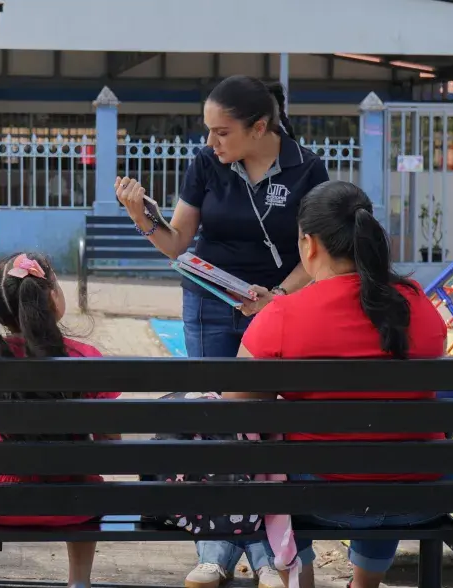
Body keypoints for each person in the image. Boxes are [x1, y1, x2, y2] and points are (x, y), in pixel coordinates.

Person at [115, 75, 329, 588]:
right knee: (217, 423)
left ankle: (279, 549)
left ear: (260, 128)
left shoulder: (308, 168)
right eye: (208, 131)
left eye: (221, 132)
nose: (211, 142)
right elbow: (177, 243)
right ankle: (225, 552)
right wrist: (140, 215)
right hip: (211, 304)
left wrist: (276, 300)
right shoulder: (206, 163)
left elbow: (318, 249)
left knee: (272, 427)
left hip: (278, 308)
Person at [235, 181, 447, 588]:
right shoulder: (416, 302)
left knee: (266, 472)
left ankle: (301, 580)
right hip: (422, 494)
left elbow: (235, 408)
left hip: (321, 496)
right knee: (383, 457)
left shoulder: (283, 314)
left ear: (309, 244)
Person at [0, 252, 119, 588]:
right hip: (73, 503)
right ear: (50, 297)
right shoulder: (85, 359)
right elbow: (110, 445)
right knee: (87, 475)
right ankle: (79, 582)